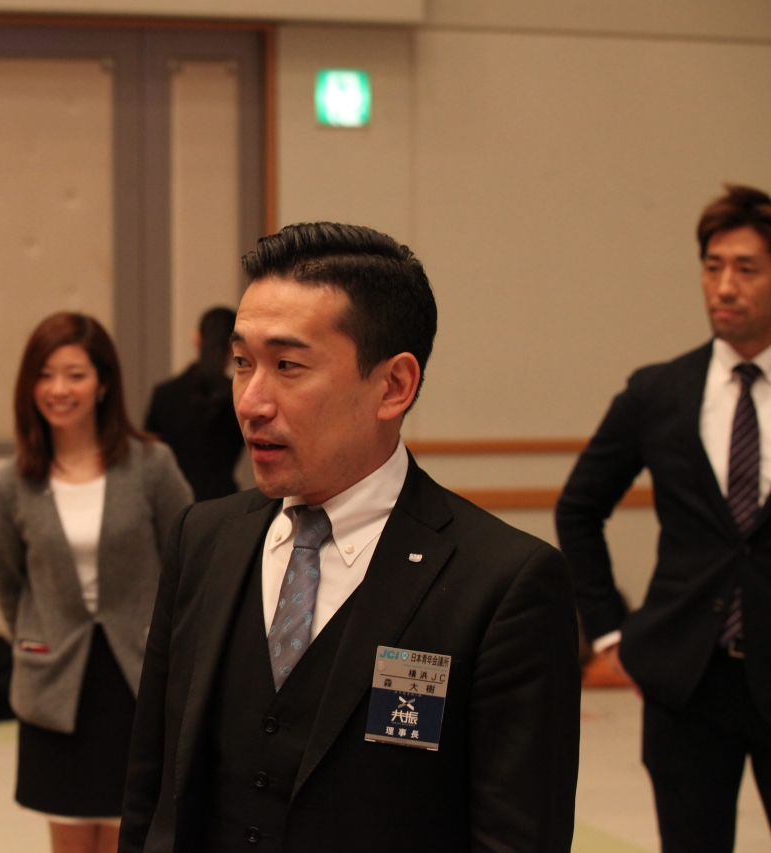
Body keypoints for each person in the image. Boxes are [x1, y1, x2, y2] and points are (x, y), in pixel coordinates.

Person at [121, 223, 581, 853]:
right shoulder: (204, 538)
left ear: (393, 386)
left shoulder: (502, 583)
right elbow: (152, 790)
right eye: (242, 363)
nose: (251, 402)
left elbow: (516, 834)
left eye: (288, 366)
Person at [557, 184, 771, 852]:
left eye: (746, 268)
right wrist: (609, 632)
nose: (725, 286)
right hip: (686, 679)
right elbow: (578, 508)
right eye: (713, 266)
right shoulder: (659, 391)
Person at [0, 312, 192, 853]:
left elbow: (189, 561)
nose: (59, 389)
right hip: (56, 678)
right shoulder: (10, 482)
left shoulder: (151, 465)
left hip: (137, 674)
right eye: (45, 374)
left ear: (102, 383)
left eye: (75, 374)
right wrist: (36, 633)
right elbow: (9, 580)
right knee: (70, 837)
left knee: (132, 833)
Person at [144, 306, 245, 501]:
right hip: (225, 503)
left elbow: (149, 456)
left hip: (174, 503)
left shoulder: (164, 394)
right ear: (234, 348)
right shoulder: (240, 396)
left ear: (196, 338)